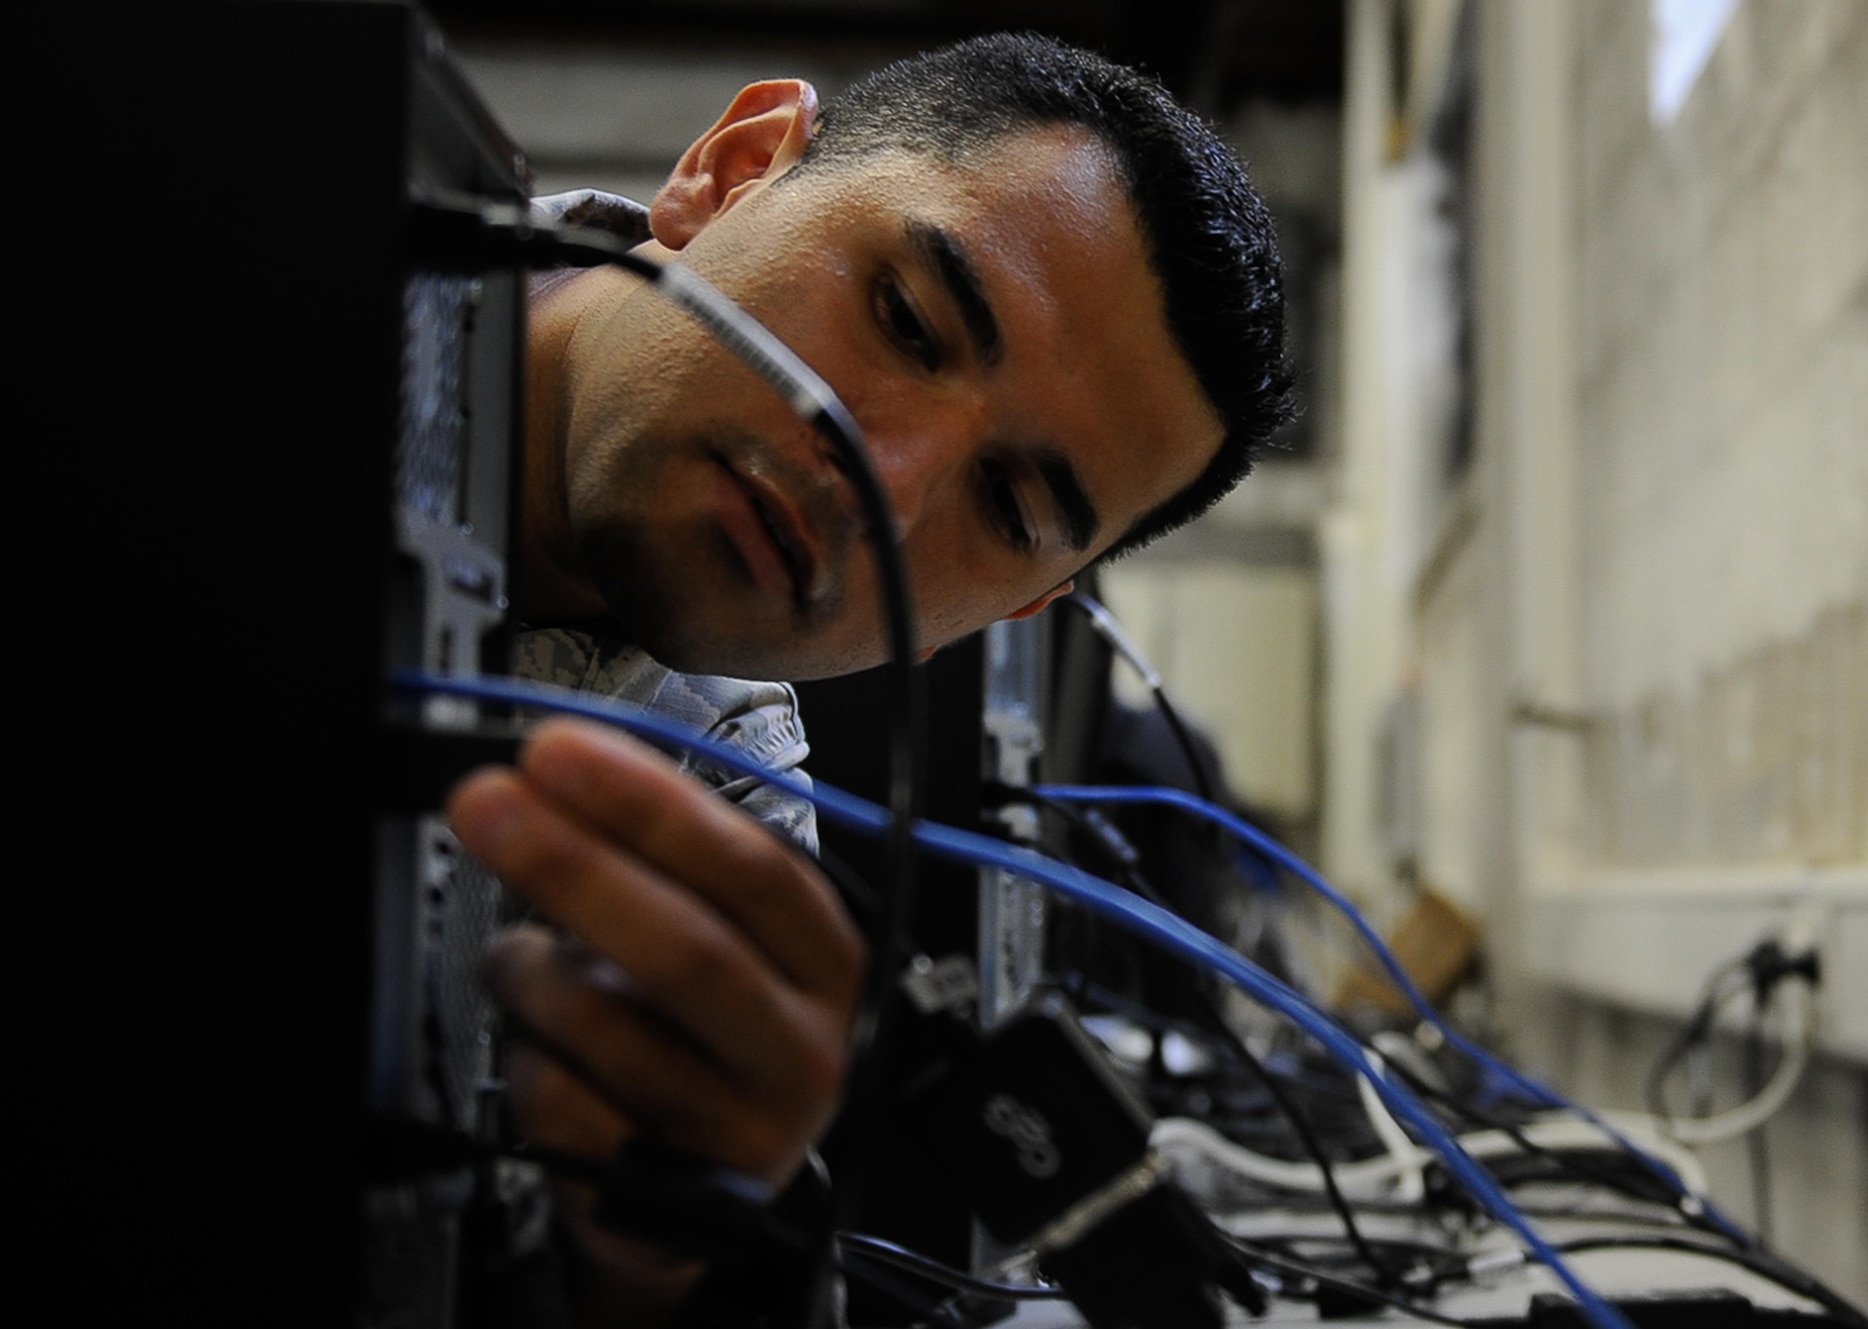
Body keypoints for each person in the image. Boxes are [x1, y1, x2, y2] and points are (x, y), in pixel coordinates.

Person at [443, 32, 1294, 1323]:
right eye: (905, 318)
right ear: (730, 172)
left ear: (1011, 611)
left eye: (1005, 505)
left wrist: (666, 1260)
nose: (883, 487)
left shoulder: (724, 803)